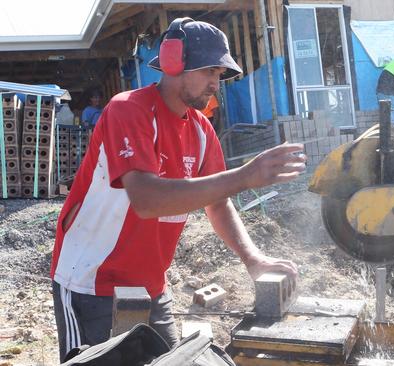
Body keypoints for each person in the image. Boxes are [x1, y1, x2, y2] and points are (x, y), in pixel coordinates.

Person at [49, 19, 306, 362]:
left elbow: (218, 204)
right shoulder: (128, 110)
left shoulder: (201, 130)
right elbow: (146, 199)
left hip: (152, 288)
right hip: (91, 284)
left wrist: (253, 259)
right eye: (209, 72)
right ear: (173, 63)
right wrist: (245, 176)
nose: (216, 83)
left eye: (220, 74)